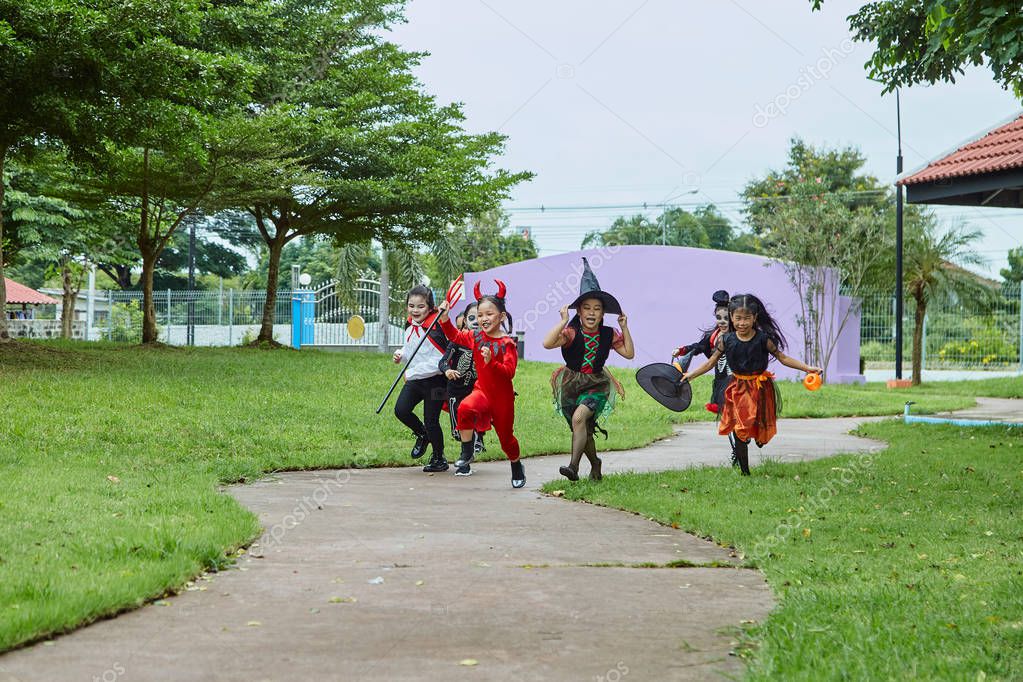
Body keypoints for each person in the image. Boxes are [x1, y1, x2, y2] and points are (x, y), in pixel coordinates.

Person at [681, 293, 823, 475]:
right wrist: (691, 375)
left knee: (760, 433)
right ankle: (745, 472)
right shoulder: (726, 340)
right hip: (737, 388)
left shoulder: (763, 339)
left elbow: (783, 358)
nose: (742, 323)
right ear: (731, 317)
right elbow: (710, 363)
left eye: (747, 318)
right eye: (738, 318)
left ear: (755, 318)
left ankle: (758, 438)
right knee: (740, 429)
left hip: (760, 388)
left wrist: (808, 368)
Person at [543, 257, 634, 482]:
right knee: (581, 428)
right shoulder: (571, 333)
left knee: (579, 418)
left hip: (597, 385)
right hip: (571, 384)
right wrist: (563, 321)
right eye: (587, 308)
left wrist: (624, 327)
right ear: (579, 312)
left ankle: (573, 467)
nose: (592, 313)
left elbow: (629, 353)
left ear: (603, 314)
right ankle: (595, 463)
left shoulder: (609, 334)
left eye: (597, 309)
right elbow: (547, 343)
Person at [438, 280, 526, 488]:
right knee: (464, 408)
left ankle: (516, 465)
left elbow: (509, 373)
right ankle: (467, 452)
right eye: (480, 315)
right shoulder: (476, 336)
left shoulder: (507, 344)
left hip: (502, 399)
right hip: (482, 392)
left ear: (501, 316)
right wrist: (445, 319)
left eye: (489, 314)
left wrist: (491, 362)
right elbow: (455, 335)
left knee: (506, 440)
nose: (483, 319)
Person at [674, 289, 740, 465]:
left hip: (738, 381)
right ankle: (737, 450)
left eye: (726, 318)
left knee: (740, 415)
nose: (722, 321)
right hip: (721, 383)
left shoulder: (738, 336)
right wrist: (682, 350)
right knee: (728, 418)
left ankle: (742, 443)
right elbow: (698, 347)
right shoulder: (713, 337)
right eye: (719, 318)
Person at [393, 285, 450, 473]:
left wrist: (411, 373)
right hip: (416, 380)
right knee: (401, 410)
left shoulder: (436, 328)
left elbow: (440, 361)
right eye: (411, 306)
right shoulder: (410, 325)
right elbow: (410, 349)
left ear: (430, 307)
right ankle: (422, 434)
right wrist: (401, 355)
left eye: (420, 306)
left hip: (437, 382)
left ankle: (439, 457)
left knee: (431, 420)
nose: (415, 310)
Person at [438, 301, 485, 475]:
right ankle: (473, 441)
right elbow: (443, 361)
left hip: (474, 392)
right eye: (472, 317)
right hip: (455, 392)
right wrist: (447, 370)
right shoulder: (457, 342)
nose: (476, 321)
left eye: (479, 317)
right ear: (464, 321)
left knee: (470, 423)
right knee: (458, 432)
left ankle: (465, 463)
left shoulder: (488, 343)